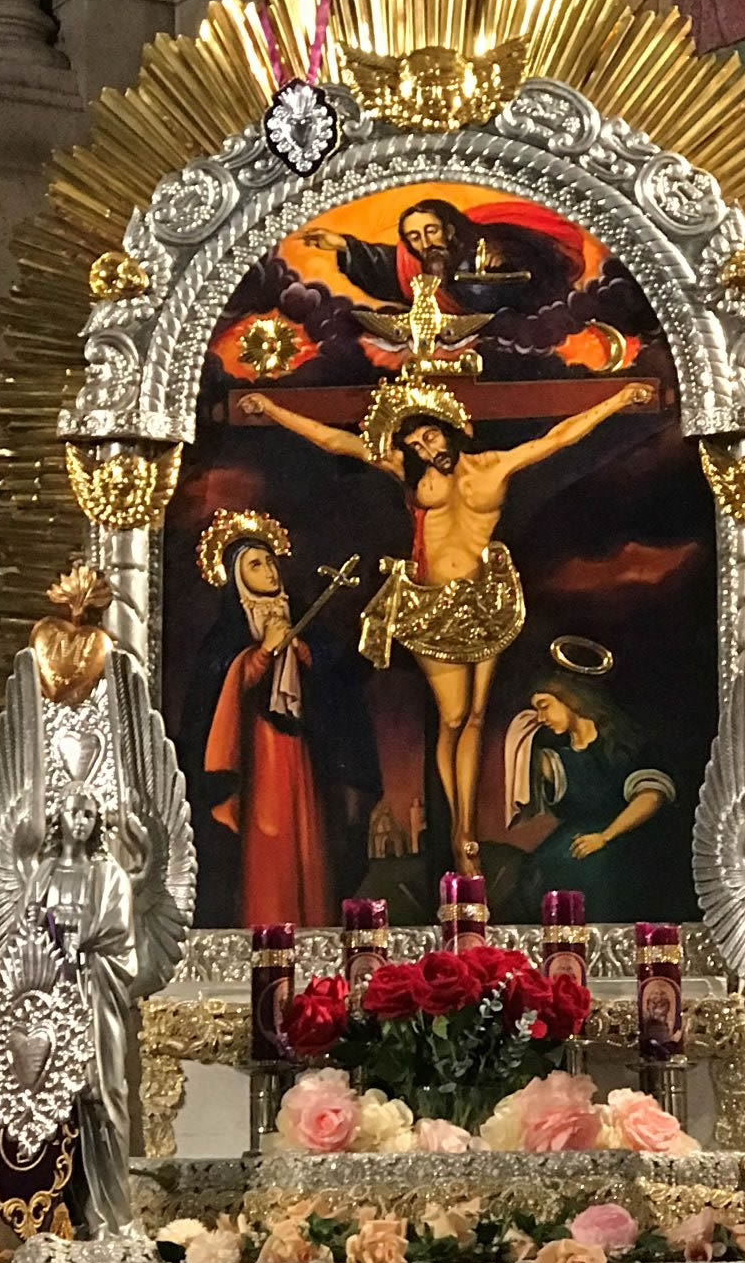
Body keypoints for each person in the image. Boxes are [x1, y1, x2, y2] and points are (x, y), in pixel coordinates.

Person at [241, 381, 650, 873]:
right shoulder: (407, 472)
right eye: (414, 444)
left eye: (430, 436)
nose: (424, 449)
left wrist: (618, 401)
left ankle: (465, 832)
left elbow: (559, 438)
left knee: (475, 717)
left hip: (485, 601)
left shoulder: (494, 465)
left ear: (449, 429)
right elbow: (337, 441)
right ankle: (458, 825)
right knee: (452, 717)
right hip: (431, 606)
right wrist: (273, 408)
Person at [179, 524, 337, 926]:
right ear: (237, 577)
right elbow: (218, 687)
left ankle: (311, 929)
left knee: (305, 838)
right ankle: (267, 926)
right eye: (255, 565)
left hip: (298, 749)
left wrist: (299, 648)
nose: (269, 570)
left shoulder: (301, 620)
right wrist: (263, 652)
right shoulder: (226, 634)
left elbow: (335, 680)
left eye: (270, 561)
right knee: (267, 839)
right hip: (254, 753)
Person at [30, 784, 136, 1239]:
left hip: (96, 995)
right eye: (74, 812)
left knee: (106, 1097)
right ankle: (65, 1217)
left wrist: (80, 941)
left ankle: (114, 1215)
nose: (81, 821)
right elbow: (26, 932)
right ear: (59, 817)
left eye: (89, 814)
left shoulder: (109, 874)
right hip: (53, 997)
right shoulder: (44, 873)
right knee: (54, 1106)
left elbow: (119, 934)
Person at [504, 673, 676, 919]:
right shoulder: (557, 759)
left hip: (622, 842)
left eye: (544, 707)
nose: (540, 718)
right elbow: (520, 758)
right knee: (536, 872)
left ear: (571, 699)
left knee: (597, 874)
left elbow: (650, 797)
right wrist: (519, 733)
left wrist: (604, 837)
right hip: (571, 845)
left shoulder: (624, 745)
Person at [300, 196, 586, 315]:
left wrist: (509, 254)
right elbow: (386, 263)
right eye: (414, 237)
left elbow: (543, 259)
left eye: (431, 231)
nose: (425, 243)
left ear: (448, 230)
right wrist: (342, 245)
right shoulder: (417, 266)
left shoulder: (490, 241)